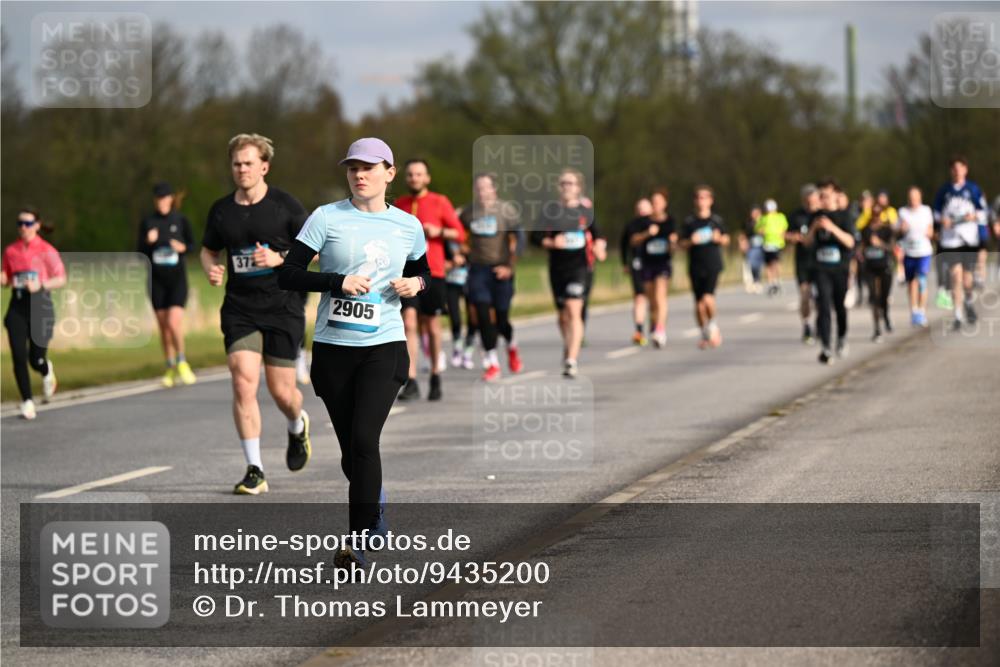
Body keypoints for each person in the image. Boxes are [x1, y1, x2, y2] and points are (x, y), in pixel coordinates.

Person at [278, 137, 429, 569]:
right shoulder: (326, 218)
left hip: (384, 346)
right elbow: (288, 275)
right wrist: (335, 282)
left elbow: (424, 273)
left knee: (365, 440)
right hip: (333, 350)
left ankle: (357, 541)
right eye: (352, 168)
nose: (360, 175)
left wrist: (415, 285)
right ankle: (374, 505)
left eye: (369, 167)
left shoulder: (407, 225)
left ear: (389, 173)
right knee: (351, 452)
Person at [200, 133, 311, 495]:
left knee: (283, 393)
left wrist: (280, 259)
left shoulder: (285, 206)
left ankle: (297, 425)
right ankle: (255, 469)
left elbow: (315, 249)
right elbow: (208, 251)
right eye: (236, 163)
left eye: (248, 163)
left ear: (264, 166)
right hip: (240, 308)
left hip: (283, 305)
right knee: (242, 379)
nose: (242, 169)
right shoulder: (221, 211)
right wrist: (212, 269)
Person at [394, 159, 465, 401]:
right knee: (409, 322)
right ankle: (411, 380)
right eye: (411, 174)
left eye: (419, 174)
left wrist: (439, 231)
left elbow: (461, 233)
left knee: (432, 326)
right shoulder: (399, 205)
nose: (414, 178)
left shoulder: (439, 201)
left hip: (433, 272)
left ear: (427, 178)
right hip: (406, 273)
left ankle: (435, 374)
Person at [533, 168, 607, 378]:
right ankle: (569, 345)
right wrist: (550, 242)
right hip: (557, 268)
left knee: (574, 309)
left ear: (578, 188)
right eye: (563, 183)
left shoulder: (586, 212)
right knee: (563, 316)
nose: (567, 187)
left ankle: (571, 359)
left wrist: (599, 247)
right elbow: (535, 237)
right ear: (559, 187)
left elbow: (599, 235)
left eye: (571, 183)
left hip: (581, 268)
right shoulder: (550, 211)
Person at [2, 208, 65, 420]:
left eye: (28, 224)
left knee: (35, 359)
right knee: (18, 356)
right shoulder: (11, 251)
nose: (23, 228)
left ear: (37, 225)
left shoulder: (47, 250)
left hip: (41, 307)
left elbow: (61, 278)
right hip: (17, 308)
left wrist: (40, 284)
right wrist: (3, 279)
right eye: (20, 223)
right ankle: (27, 401)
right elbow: (8, 277)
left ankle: (46, 369)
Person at [460, 172, 523, 381]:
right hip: (478, 270)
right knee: (483, 317)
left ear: (494, 189)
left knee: (502, 320)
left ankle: (511, 347)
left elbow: (520, 238)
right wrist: (459, 252)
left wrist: (509, 267)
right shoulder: (468, 213)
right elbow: (456, 232)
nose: (481, 192)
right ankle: (492, 363)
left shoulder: (506, 211)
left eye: (485, 187)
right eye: (478, 188)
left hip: (501, 270)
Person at [137, 181, 197, 387]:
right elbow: (139, 254)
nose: (162, 202)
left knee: (173, 323)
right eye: (158, 198)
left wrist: (182, 247)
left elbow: (193, 246)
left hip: (177, 281)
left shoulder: (180, 220)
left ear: (171, 199)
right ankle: (170, 367)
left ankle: (182, 361)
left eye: (165, 198)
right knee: (163, 327)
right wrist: (148, 242)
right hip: (156, 282)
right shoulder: (148, 222)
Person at [932, 156, 987, 330]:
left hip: (969, 239)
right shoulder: (944, 191)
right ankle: (957, 315)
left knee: (967, 279)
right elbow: (935, 213)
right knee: (955, 276)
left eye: (959, 168)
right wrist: (942, 221)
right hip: (950, 241)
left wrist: (974, 216)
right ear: (951, 171)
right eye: (953, 169)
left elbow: (984, 212)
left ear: (965, 169)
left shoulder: (973, 189)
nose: (956, 172)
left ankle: (968, 301)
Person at [805, 181, 855, 364]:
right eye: (821, 196)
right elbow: (807, 243)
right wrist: (814, 229)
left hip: (840, 268)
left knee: (839, 306)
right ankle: (826, 347)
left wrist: (832, 228)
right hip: (821, 269)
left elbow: (850, 242)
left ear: (835, 195)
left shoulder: (844, 216)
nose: (823, 199)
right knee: (823, 305)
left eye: (826, 195)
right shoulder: (815, 217)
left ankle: (841, 336)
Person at [678, 185, 730, 349]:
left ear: (710, 200)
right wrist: (689, 241)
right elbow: (681, 243)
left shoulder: (716, 220)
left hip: (712, 264)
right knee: (699, 305)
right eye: (698, 198)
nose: (701, 201)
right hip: (695, 265)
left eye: (704, 197)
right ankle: (704, 332)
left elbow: (727, 239)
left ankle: (713, 326)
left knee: (708, 299)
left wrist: (719, 238)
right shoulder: (689, 222)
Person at [630, 188, 676, 348]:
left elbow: (675, 242)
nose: (655, 205)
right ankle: (655, 323)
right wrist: (647, 234)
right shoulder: (643, 222)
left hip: (663, 263)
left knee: (660, 295)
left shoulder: (670, 221)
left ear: (664, 203)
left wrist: (673, 243)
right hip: (647, 263)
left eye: (658, 202)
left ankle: (660, 329)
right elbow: (633, 240)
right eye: (653, 202)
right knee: (652, 300)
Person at [787, 184, 821, 344]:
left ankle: (821, 323)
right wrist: (793, 237)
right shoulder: (796, 215)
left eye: (813, 202)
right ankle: (807, 326)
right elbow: (786, 233)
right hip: (803, 262)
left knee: (821, 297)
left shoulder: (822, 216)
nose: (811, 206)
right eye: (808, 202)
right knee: (805, 296)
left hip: (820, 261)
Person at [897, 186, 934, 327]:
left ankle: (922, 311)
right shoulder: (902, 212)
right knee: (912, 282)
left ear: (920, 197)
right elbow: (897, 230)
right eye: (911, 198)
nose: (913, 200)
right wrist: (902, 228)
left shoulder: (926, 211)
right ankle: (914, 311)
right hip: (909, 252)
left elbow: (931, 229)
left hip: (924, 252)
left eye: (915, 197)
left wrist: (929, 232)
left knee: (922, 280)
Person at [860, 203, 896, 342]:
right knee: (874, 296)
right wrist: (860, 253)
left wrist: (880, 243)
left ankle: (886, 315)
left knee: (883, 296)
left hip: (884, 266)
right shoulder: (865, 230)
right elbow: (861, 246)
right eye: (873, 214)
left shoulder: (887, 230)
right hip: (869, 267)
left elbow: (892, 247)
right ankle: (877, 329)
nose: (875, 217)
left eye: (878, 214)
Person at [621, 197, 652, 345]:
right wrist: (624, 263)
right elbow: (625, 244)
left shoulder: (657, 223)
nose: (642, 211)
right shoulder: (632, 225)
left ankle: (656, 327)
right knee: (639, 297)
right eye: (639, 208)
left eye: (644, 208)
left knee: (654, 299)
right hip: (637, 264)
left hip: (655, 265)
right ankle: (639, 330)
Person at [756, 198, 788, 296]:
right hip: (767, 244)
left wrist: (781, 235)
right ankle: (771, 283)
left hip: (777, 243)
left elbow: (784, 228)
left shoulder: (780, 217)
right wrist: (761, 231)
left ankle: (778, 280)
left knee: (776, 263)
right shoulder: (763, 218)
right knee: (768, 264)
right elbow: (757, 229)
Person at [739, 205, 764, 294]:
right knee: (751, 264)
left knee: (758, 265)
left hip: (762, 246)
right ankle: (752, 282)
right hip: (751, 246)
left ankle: (758, 281)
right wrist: (742, 243)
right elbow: (743, 234)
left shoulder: (763, 222)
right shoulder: (747, 223)